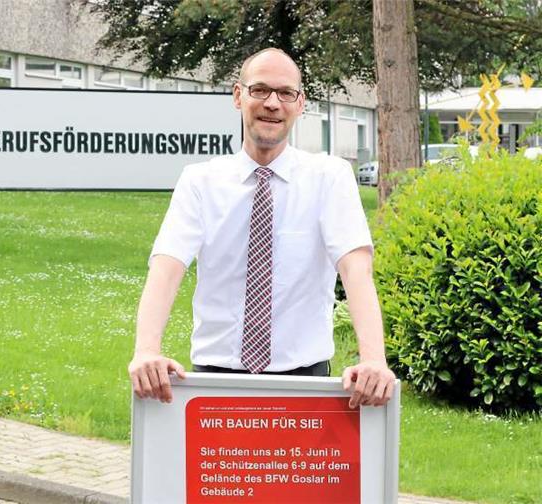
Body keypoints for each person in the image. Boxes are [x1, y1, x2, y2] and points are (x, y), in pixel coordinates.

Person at [128, 47, 395, 409]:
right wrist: (146, 351)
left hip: (305, 385)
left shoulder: (329, 178)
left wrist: (374, 359)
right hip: (215, 384)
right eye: (260, 90)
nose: (273, 103)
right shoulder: (200, 181)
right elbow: (166, 268)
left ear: (300, 104)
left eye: (286, 93)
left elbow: (356, 268)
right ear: (239, 96)